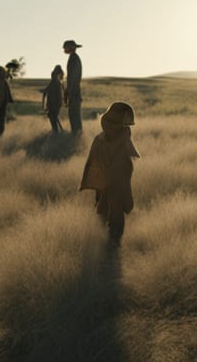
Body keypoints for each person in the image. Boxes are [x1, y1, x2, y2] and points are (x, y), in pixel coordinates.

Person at [79, 101, 139, 244]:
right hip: (112, 180)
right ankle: (111, 239)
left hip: (112, 179)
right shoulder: (116, 138)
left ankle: (111, 239)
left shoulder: (105, 138)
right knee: (111, 209)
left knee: (108, 209)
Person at [63, 39, 83, 134]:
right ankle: (76, 134)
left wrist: (69, 92)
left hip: (74, 92)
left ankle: (76, 135)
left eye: (65, 47)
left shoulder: (74, 59)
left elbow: (72, 78)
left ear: (71, 48)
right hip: (74, 91)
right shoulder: (73, 58)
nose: (64, 48)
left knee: (74, 115)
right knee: (74, 114)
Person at [41, 65, 65, 132]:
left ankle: (56, 133)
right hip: (53, 104)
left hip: (54, 104)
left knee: (53, 119)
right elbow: (45, 93)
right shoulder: (58, 84)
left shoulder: (57, 84)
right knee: (54, 118)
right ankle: (57, 132)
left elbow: (45, 93)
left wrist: (43, 105)